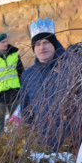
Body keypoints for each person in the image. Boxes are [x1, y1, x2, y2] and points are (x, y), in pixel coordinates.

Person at [19, 17, 67, 145]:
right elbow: (25, 109)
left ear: (54, 44)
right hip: (43, 141)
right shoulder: (28, 76)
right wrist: (32, 134)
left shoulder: (69, 69)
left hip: (70, 139)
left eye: (46, 42)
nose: (42, 47)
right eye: (37, 44)